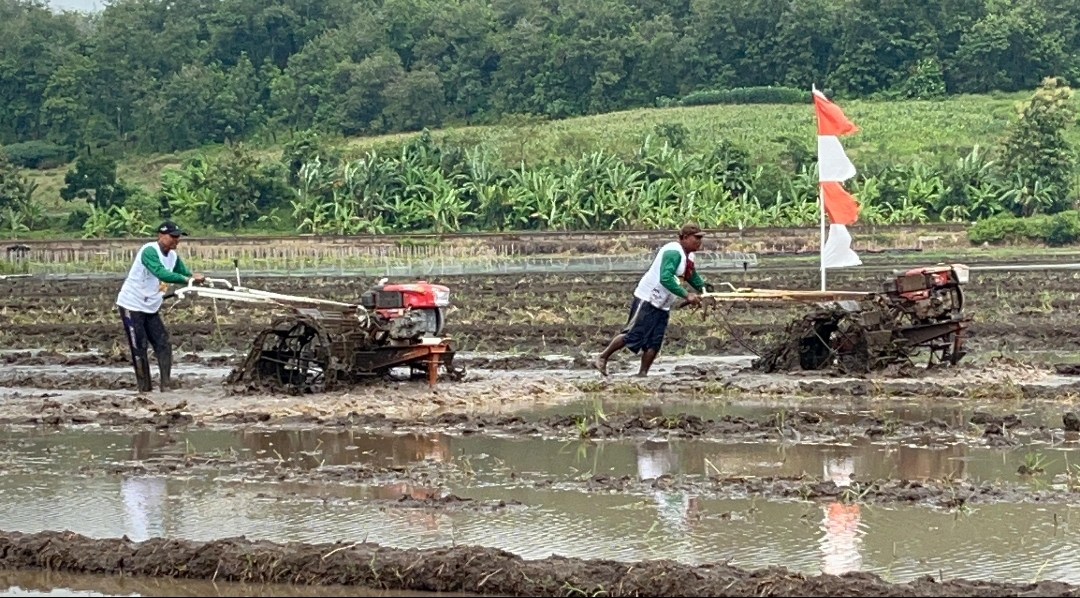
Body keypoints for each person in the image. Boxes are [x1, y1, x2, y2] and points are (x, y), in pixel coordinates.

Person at [593, 223, 708, 377]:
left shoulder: (689, 256)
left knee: (655, 340)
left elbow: (691, 275)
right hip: (648, 298)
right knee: (633, 334)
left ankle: (642, 374)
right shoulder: (673, 252)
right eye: (697, 238)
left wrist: (706, 290)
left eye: (701, 238)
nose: (699, 242)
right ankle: (602, 357)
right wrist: (687, 295)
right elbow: (666, 278)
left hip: (663, 303)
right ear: (685, 237)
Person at [116, 221, 204, 392]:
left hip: (150, 307)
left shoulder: (172, 257)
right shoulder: (149, 251)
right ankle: (144, 388)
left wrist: (195, 277)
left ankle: (166, 385)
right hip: (132, 304)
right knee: (139, 347)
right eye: (173, 237)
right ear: (161, 235)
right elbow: (161, 273)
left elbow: (183, 273)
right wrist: (187, 280)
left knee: (163, 343)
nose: (176, 240)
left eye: (178, 237)